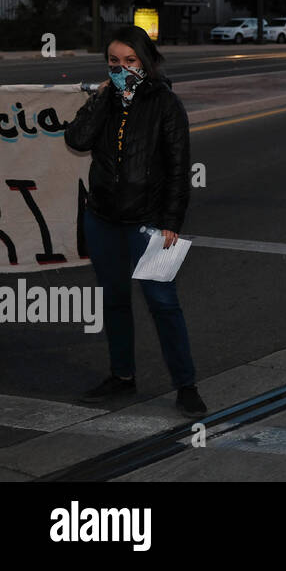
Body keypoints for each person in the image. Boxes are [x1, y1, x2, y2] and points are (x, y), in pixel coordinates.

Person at [65, 25, 206, 417]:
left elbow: (179, 171)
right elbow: (76, 140)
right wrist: (100, 99)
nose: (122, 68)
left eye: (130, 61)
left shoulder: (166, 105)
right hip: (103, 220)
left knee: (163, 303)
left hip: (151, 224)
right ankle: (122, 377)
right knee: (114, 300)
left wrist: (171, 222)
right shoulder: (106, 100)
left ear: (146, 62)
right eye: (114, 61)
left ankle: (186, 384)